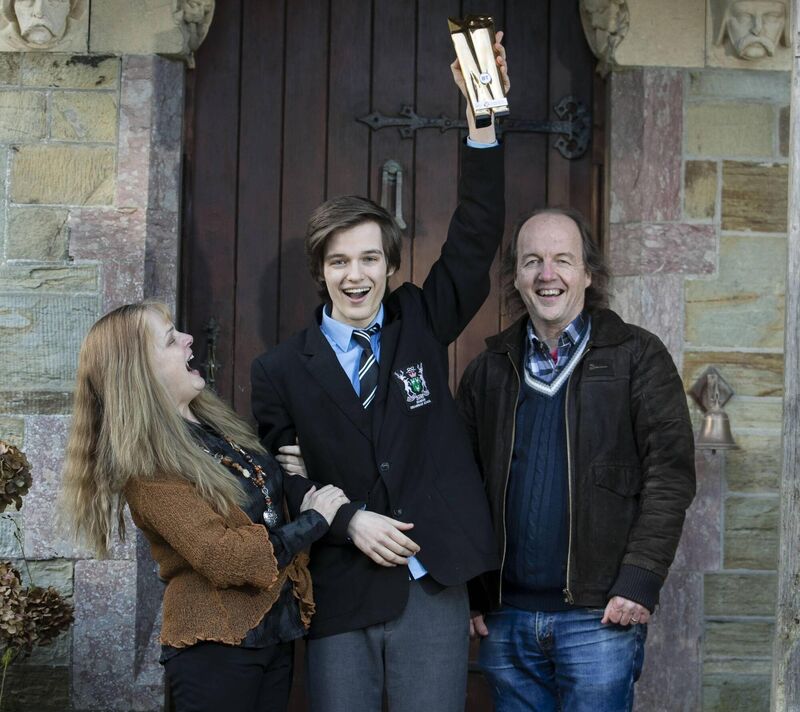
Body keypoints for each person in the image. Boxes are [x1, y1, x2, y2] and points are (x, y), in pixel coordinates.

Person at [250, 37, 509, 712]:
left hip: (433, 582)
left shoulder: (418, 321)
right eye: (339, 262)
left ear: (391, 267)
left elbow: (476, 234)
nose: (355, 275)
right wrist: (351, 521)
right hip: (343, 591)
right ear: (320, 271)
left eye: (369, 259)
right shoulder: (279, 370)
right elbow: (284, 478)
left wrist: (482, 117)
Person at [456, 208, 696, 711]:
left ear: (588, 273)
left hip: (600, 616)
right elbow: (461, 485)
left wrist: (640, 580)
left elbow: (669, 478)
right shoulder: (488, 371)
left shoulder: (638, 358)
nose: (548, 275)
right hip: (507, 620)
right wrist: (475, 591)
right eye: (532, 262)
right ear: (516, 278)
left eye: (563, 260)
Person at [59, 301, 349, 712]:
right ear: (141, 371)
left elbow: (261, 507)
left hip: (274, 633)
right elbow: (222, 556)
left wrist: (289, 470)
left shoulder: (215, 426)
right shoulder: (147, 467)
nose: (189, 339)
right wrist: (313, 521)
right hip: (215, 646)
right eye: (171, 339)